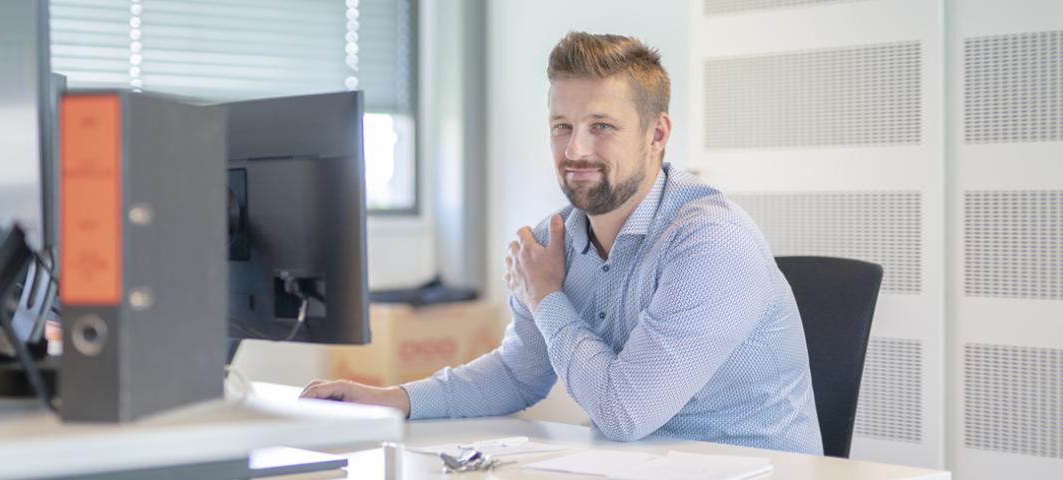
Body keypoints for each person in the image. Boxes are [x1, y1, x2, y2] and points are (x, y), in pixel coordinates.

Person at [301, 31, 822, 455]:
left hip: (753, 470)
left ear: (657, 133)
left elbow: (623, 412)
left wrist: (546, 296)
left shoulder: (712, 245)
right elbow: (516, 373)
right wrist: (396, 399)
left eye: (601, 126)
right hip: (635, 467)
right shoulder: (561, 237)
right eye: (562, 126)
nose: (575, 149)